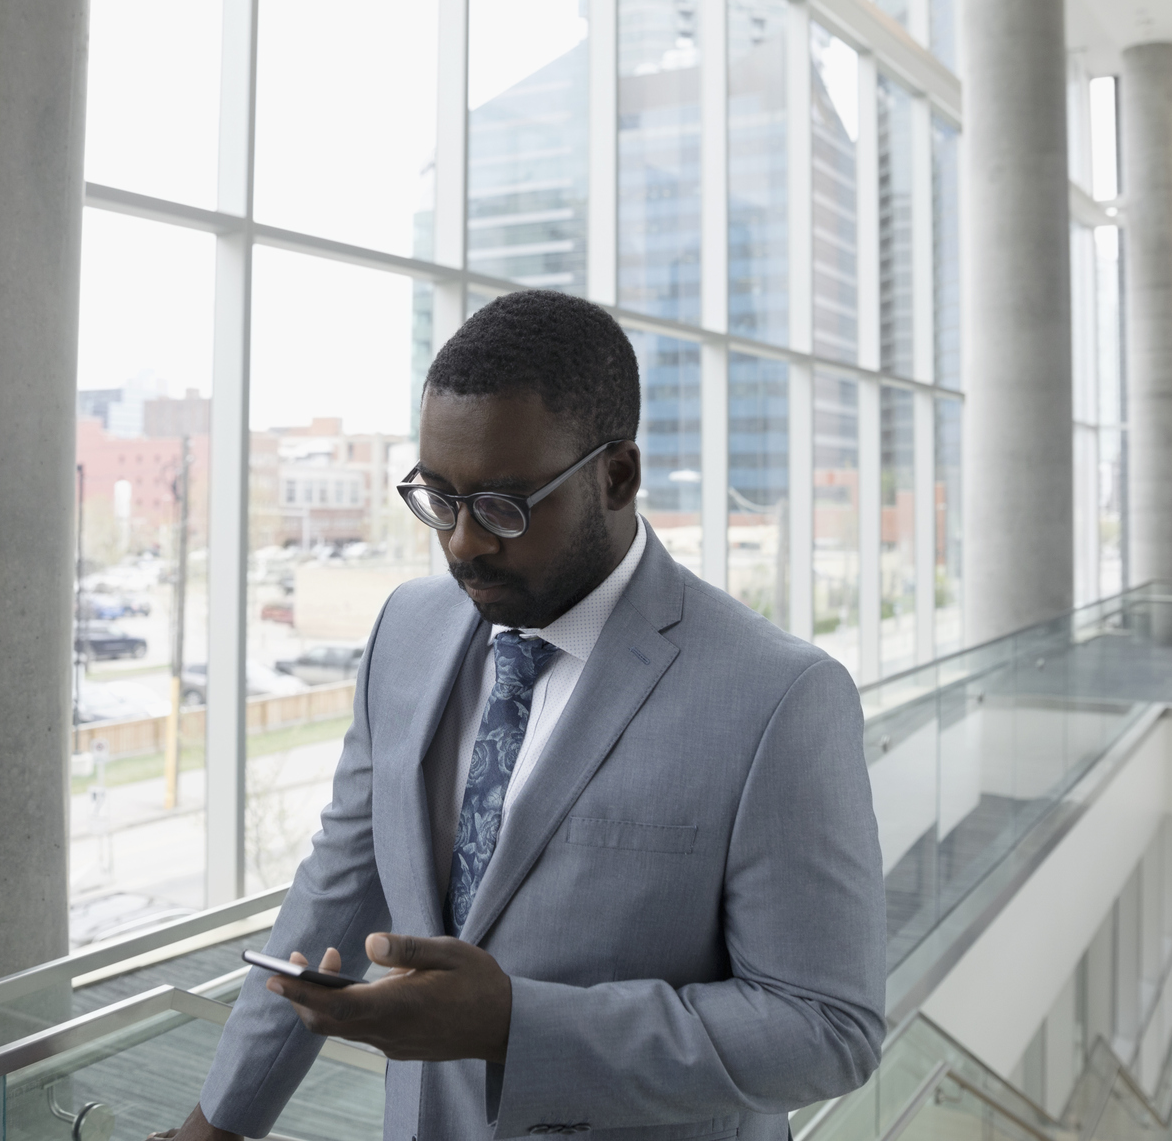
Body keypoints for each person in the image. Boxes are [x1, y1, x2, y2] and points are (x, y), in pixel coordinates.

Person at [159, 290, 884, 1141]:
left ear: (616, 477)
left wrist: (515, 1026)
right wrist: (217, 1125)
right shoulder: (406, 630)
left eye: (504, 506)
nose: (462, 541)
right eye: (438, 498)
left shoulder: (778, 697)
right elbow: (341, 887)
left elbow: (825, 1030)